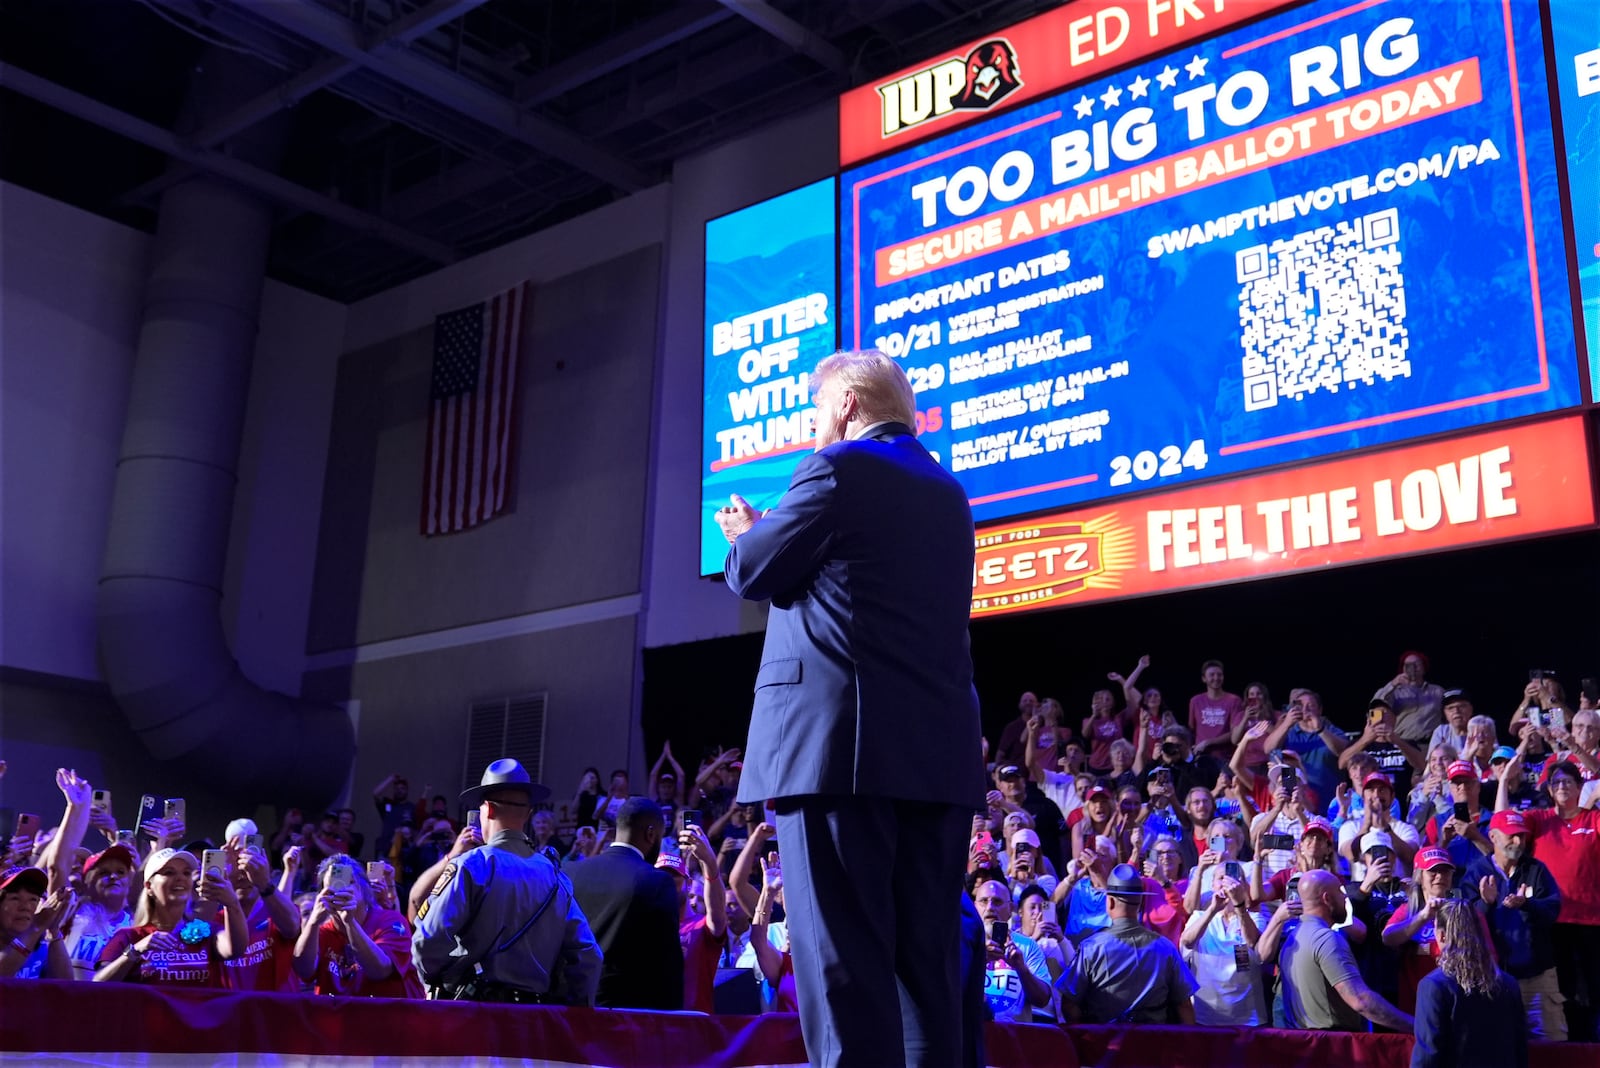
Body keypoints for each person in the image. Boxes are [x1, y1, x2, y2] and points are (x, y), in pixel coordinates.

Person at [716, 350, 983, 1067]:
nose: (814, 426)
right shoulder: (948, 492)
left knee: (842, 969)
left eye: (816, 411)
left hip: (839, 759)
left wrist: (747, 530)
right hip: (936, 761)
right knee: (922, 971)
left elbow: (755, 570)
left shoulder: (838, 469)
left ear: (845, 406)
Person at [412, 759, 600, 1004]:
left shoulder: (472, 865)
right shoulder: (555, 876)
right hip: (533, 1021)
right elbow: (588, 955)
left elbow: (427, 942)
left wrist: (442, 984)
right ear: (528, 813)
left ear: (487, 809)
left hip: (473, 1017)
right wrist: (575, 1008)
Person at [1497, 749, 1600, 1041]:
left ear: (1581, 788)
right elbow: (1504, 821)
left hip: (1592, 919)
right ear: (1550, 790)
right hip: (1551, 919)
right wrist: (1504, 779)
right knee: (1562, 989)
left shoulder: (1593, 820)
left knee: (1595, 987)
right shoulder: (1538, 819)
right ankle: (1567, 1044)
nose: (1563, 786)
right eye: (1557, 782)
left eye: (1569, 781)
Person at [566, 796, 683, 1010]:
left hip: (570, 1007)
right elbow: (667, 963)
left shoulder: (571, 872)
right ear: (651, 833)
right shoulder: (656, 881)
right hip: (627, 1014)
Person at [1464, 810, 1564, 1041]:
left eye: (1522, 836)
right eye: (1512, 835)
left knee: (1550, 1043)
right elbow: (1466, 922)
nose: (1518, 841)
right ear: (1493, 837)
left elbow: (1553, 909)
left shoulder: (1536, 869)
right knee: (1497, 1043)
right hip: (1493, 978)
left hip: (1537, 975)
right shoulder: (1476, 872)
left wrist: (1527, 904)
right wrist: (1485, 903)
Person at [1058, 863, 1197, 1024]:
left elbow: (1068, 1004)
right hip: (1155, 1043)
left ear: (1109, 902)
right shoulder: (1165, 947)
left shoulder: (1091, 947)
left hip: (1104, 1043)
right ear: (1140, 903)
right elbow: (1185, 1006)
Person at [1278, 869, 1414, 1032]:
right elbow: (1361, 1001)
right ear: (1327, 899)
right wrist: (1415, 1025)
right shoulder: (1326, 939)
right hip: (1332, 1046)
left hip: (1307, 1044)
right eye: (1340, 892)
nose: (1345, 898)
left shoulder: (1294, 937)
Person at [95, 847, 246, 987]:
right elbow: (98, 984)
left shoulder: (204, 931)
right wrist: (136, 951)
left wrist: (231, 903)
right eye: (169, 872)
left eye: (186, 873)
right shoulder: (129, 936)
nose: (180, 878)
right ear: (149, 887)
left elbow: (236, 949)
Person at [1410, 899, 1528, 1068]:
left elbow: (1427, 1056)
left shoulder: (1434, 986)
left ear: (1442, 935)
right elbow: (1520, 1051)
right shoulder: (1509, 984)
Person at [292, 854, 421, 998]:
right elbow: (303, 970)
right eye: (334, 884)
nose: (342, 889)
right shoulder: (322, 931)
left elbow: (380, 971)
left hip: (391, 1016)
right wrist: (313, 922)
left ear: (364, 889)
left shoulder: (391, 920)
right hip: (341, 1017)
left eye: (350, 882)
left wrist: (350, 923)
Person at [972, 877, 1054, 1022]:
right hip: (974, 1036)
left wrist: (1021, 968)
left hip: (1016, 1038)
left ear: (1010, 909)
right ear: (974, 907)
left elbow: (1042, 999)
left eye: (997, 902)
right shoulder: (964, 944)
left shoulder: (1027, 946)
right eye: (984, 901)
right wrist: (979, 960)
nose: (990, 907)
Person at [1341, 699, 1425, 802]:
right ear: (1369, 718)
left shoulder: (1406, 743)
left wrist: (1397, 741)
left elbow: (1422, 765)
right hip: (1365, 803)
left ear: (1394, 718)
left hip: (1399, 802)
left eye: (1384, 713)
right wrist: (1365, 740)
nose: (1380, 718)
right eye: (1375, 714)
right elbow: (1342, 764)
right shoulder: (1358, 744)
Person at [1375, 651, 1447, 748]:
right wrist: (1392, 684)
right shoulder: (1395, 692)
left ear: (1424, 668)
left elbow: (1448, 715)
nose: (1413, 668)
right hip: (1402, 744)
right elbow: (1375, 707)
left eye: (1416, 664)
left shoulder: (1438, 691)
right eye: (1408, 665)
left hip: (1430, 745)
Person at [1188, 660, 1244, 764]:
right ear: (1204, 678)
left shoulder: (1234, 700)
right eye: (1212, 675)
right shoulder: (1195, 701)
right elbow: (1191, 730)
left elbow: (1234, 733)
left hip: (1225, 758)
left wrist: (1208, 742)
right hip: (1201, 757)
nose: (1216, 678)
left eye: (1219, 675)